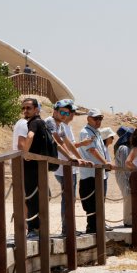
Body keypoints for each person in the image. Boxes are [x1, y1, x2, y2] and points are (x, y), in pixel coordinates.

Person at [45, 99, 89, 235]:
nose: (65, 115)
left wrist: (80, 158)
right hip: (46, 164)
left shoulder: (61, 125)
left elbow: (67, 142)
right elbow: (57, 143)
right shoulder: (50, 122)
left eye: (67, 112)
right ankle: (66, 229)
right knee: (67, 198)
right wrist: (71, 158)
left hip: (58, 165)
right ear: (55, 110)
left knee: (69, 198)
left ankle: (68, 228)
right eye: (62, 111)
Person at [17, 98, 49, 237]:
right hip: (40, 166)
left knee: (31, 197)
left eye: (28, 108)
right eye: (23, 108)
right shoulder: (41, 122)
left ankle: (33, 229)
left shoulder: (34, 122)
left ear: (36, 109)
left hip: (31, 166)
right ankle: (40, 227)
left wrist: (25, 154)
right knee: (40, 196)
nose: (25, 111)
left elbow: (29, 136)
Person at [79, 108, 112, 233]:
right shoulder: (85, 132)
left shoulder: (97, 132)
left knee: (100, 200)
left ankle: (99, 224)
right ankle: (92, 227)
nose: (98, 121)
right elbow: (92, 150)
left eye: (100, 118)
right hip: (90, 174)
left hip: (99, 173)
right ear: (88, 119)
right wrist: (105, 163)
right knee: (91, 202)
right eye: (96, 118)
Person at [114, 126, 134, 226]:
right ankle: (128, 221)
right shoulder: (124, 148)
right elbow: (124, 166)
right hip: (124, 176)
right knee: (128, 196)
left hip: (129, 176)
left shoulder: (130, 148)